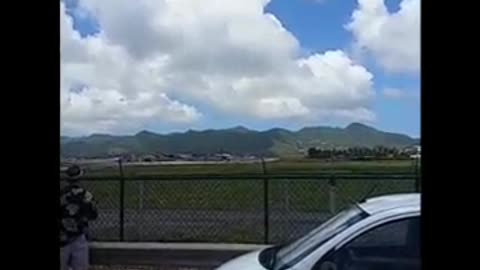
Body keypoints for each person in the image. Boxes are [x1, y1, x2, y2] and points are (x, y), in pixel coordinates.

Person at [60, 165, 98, 270]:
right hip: (79, 236)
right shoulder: (86, 195)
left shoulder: (61, 194)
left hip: (62, 237)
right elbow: (93, 214)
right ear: (80, 178)